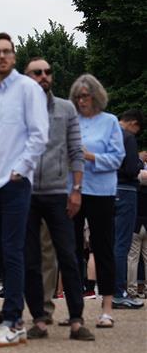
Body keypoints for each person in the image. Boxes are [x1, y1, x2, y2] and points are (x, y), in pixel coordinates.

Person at [0, 33, 48, 347]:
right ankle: (10, 318)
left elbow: (39, 135)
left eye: (6, 51)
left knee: (14, 251)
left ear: (14, 57)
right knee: (2, 253)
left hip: (14, 182)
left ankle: (14, 320)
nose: (2, 56)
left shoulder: (28, 89)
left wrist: (20, 170)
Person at [15, 58, 92, 341]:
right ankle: (39, 319)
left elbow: (76, 150)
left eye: (48, 71)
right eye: (37, 72)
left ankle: (76, 320)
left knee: (68, 257)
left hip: (59, 192)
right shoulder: (18, 110)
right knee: (31, 260)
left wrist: (77, 189)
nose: (44, 76)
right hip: (26, 193)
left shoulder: (66, 108)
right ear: (27, 77)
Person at [69, 74, 126, 328]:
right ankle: (75, 309)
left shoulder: (110, 121)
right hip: (74, 190)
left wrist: (90, 156)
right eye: (78, 96)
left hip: (101, 191)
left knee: (102, 248)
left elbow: (117, 159)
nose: (82, 100)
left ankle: (107, 307)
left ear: (96, 95)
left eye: (86, 95)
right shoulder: (73, 122)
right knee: (70, 249)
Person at [112, 109, 145, 309]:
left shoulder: (109, 133)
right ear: (133, 123)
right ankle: (119, 292)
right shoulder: (128, 137)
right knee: (122, 245)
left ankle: (112, 290)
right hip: (126, 192)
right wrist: (140, 161)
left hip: (109, 190)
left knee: (112, 242)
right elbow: (132, 169)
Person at [128, 147, 147, 299]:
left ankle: (132, 290)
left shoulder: (134, 185)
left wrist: (140, 161)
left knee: (132, 258)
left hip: (135, 223)